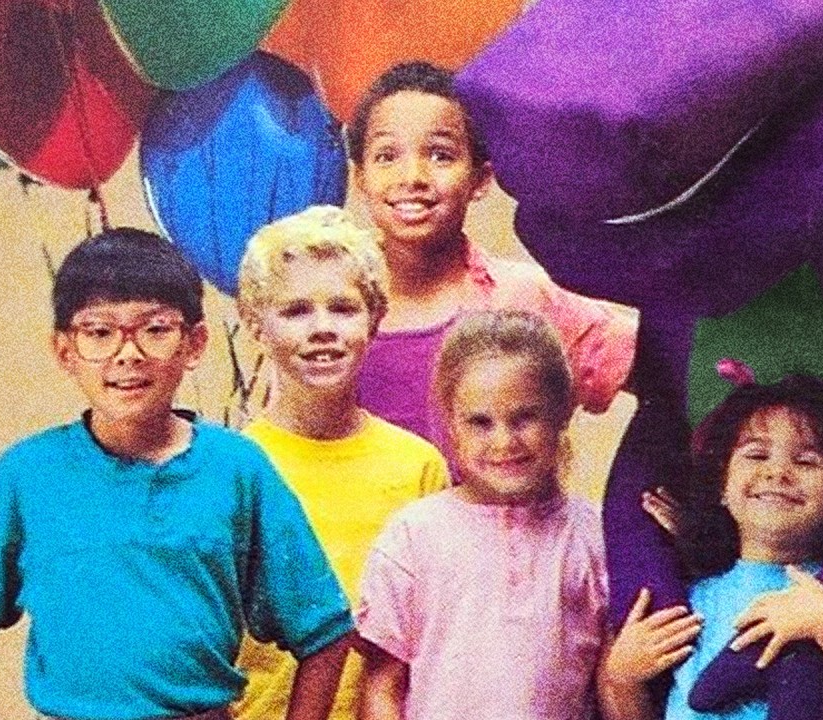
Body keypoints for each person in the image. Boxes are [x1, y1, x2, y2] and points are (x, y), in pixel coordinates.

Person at [0, 229, 353, 720]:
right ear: (64, 351)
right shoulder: (26, 476)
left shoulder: (238, 469)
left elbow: (325, 628)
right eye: (99, 332)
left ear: (194, 343)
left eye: (155, 329)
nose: (127, 353)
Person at [598, 375, 823, 720]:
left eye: (805, 462)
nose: (777, 472)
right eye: (757, 454)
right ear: (721, 485)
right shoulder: (691, 599)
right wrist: (623, 677)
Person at [346, 60, 636, 452]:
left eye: (440, 155)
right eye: (386, 156)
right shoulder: (333, 307)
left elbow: (669, 368)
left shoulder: (524, 298)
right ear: (360, 178)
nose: (412, 177)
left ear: (480, 179)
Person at [232, 206, 449, 720]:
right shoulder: (234, 468)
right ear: (256, 326)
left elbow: (435, 629)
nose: (322, 328)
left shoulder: (418, 466)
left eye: (343, 308)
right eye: (296, 311)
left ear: (375, 321)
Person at [354, 311, 608, 720]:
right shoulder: (413, 537)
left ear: (562, 412)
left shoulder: (594, 535)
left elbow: (611, 681)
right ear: (451, 424)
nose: (504, 441)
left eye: (524, 417)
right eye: (480, 422)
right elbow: (382, 688)